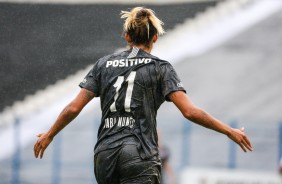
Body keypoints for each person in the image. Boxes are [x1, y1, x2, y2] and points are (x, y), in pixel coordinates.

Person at [34, 7, 253, 184]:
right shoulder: (160, 68)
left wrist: (49, 135)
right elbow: (189, 111)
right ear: (155, 37)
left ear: (127, 36)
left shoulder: (104, 65)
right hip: (139, 153)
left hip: (104, 154)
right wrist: (228, 131)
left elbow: (73, 108)